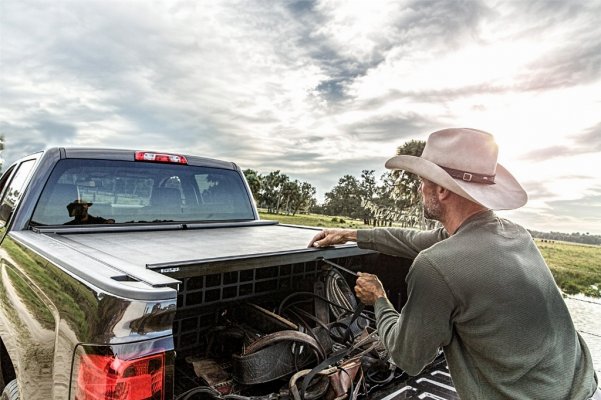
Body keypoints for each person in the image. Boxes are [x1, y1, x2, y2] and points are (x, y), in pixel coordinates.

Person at [309, 128, 599, 399]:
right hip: (579, 384)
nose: (419, 190)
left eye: (422, 182)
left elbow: (407, 358)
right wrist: (350, 234)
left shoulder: (436, 266)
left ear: (442, 191)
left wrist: (380, 300)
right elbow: (414, 239)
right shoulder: (515, 233)